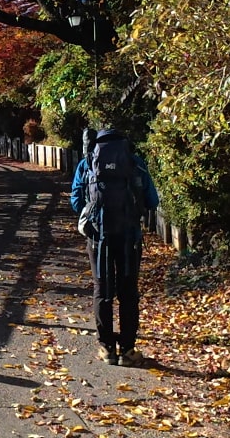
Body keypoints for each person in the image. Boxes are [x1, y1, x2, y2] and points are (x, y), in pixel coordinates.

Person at [70, 127, 159, 367]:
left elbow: (76, 200)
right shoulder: (134, 162)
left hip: (99, 237)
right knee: (128, 291)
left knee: (102, 290)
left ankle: (107, 348)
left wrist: (92, 213)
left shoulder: (87, 163)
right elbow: (153, 200)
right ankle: (128, 350)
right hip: (130, 237)